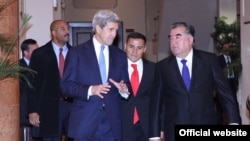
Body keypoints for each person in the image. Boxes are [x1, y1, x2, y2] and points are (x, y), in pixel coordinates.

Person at [149, 22, 241, 141]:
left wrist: (233, 123)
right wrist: (154, 135)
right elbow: (156, 103)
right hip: (174, 129)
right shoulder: (162, 67)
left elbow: (225, 94)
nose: (173, 42)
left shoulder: (209, 60)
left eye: (178, 37)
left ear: (191, 39)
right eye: (170, 38)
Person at [60, 9, 130, 141]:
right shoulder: (77, 53)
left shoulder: (120, 56)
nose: (114, 34)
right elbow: (65, 86)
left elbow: (125, 83)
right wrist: (91, 90)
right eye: (111, 29)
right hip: (84, 123)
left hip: (112, 124)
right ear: (98, 28)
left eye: (116, 30)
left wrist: (124, 90)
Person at [28, 20, 73, 141]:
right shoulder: (40, 54)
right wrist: (32, 110)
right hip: (49, 108)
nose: (67, 32)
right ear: (53, 33)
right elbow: (32, 84)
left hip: (72, 107)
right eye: (63, 29)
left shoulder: (75, 53)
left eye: (67, 29)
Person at [121, 32, 163, 141]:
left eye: (139, 48)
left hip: (146, 127)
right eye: (131, 47)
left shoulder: (154, 69)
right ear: (125, 46)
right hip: (121, 126)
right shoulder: (115, 68)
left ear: (144, 49)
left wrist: (161, 127)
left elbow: (160, 101)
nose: (135, 51)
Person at [19, 39, 40, 141]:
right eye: (35, 51)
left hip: (39, 111)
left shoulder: (41, 65)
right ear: (25, 53)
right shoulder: (18, 67)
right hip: (24, 112)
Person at [217, 42, 240, 124]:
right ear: (222, 49)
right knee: (220, 105)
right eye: (225, 47)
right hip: (223, 85)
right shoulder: (218, 59)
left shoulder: (233, 59)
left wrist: (236, 83)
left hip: (232, 85)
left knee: (234, 104)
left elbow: (236, 71)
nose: (226, 49)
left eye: (228, 47)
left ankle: (237, 122)